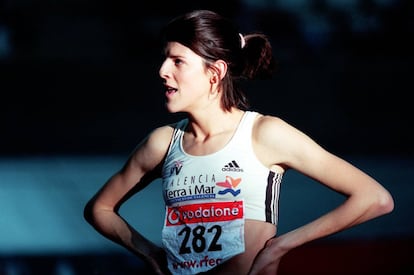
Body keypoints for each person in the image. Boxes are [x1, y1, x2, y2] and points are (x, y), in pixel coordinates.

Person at [83, 9, 394, 275]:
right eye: (165, 59)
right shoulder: (162, 143)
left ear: (215, 72)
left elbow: (374, 198)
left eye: (177, 61)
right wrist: (149, 252)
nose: (163, 71)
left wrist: (280, 246)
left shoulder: (264, 133)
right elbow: (100, 208)